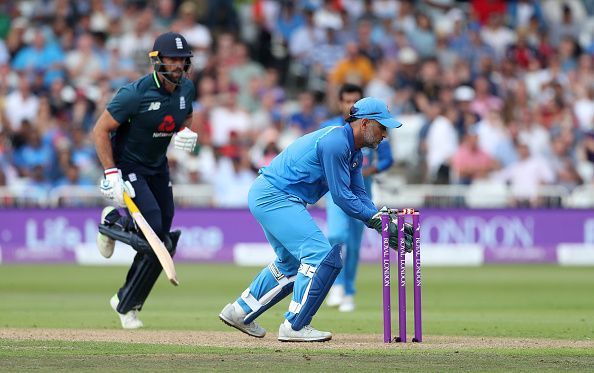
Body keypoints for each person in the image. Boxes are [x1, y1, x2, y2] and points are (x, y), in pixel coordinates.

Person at [218, 97, 410, 342]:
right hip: (276, 196)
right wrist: (374, 221)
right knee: (319, 256)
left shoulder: (354, 153)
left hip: (272, 195)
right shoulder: (336, 143)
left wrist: (381, 220)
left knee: (289, 264)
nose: (385, 134)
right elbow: (341, 196)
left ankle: (238, 311)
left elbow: (359, 195)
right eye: (382, 127)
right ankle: (295, 326)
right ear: (364, 123)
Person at [92, 32, 198, 329]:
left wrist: (185, 134)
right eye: (172, 59)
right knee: (151, 223)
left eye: (182, 59)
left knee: (162, 235)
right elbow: (100, 130)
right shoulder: (134, 93)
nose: (178, 65)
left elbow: (185, 117)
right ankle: (112, 220)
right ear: (158, 61)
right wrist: (111, 173)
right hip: (129, 164)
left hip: (157, 166)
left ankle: (126, 302)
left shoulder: (186, 89)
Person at [323, 84, 394, 312]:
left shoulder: (373, 129)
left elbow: (386, 159)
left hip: (363, 190)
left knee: (353, 245)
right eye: (346, 101)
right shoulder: (330, 129)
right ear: (340, 103)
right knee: (336, 234)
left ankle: (349, 292)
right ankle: (337, 285)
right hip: (337, 191)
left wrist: (368, 171)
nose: (350, 105)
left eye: (355, 100)